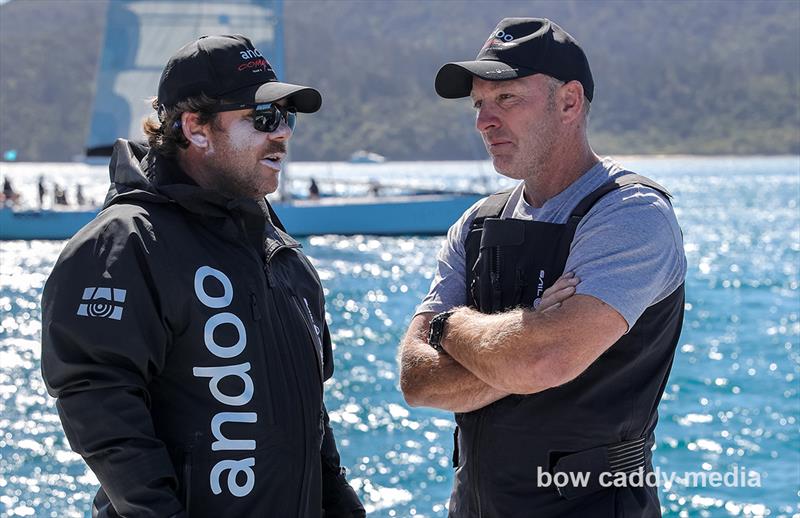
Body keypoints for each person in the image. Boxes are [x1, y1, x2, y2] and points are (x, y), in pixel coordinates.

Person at [41, 35, 364, 518]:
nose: (283, 134)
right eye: (264, 118)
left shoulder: (278, 249)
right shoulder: (127, 244)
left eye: (286, 117)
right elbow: (100, 406)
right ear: (195, 128)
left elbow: (311, 420)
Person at [399, 18, 686, 517]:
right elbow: (417, 381)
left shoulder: (631, 214)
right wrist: (526, 335)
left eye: (506, 99)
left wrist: (451, 327)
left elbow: (543, 361)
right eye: (479, 104)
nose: (484, 121)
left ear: (569, 102)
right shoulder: (477, 222)